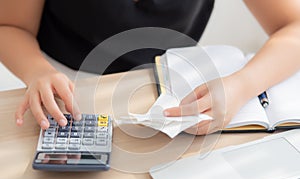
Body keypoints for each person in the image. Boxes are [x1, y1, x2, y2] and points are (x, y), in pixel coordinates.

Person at [0, 0, 299, 135]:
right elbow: (10, 26)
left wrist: (243, 85)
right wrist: (36, 71)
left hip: (174, 94)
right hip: (64, 91)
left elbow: (294, 26)